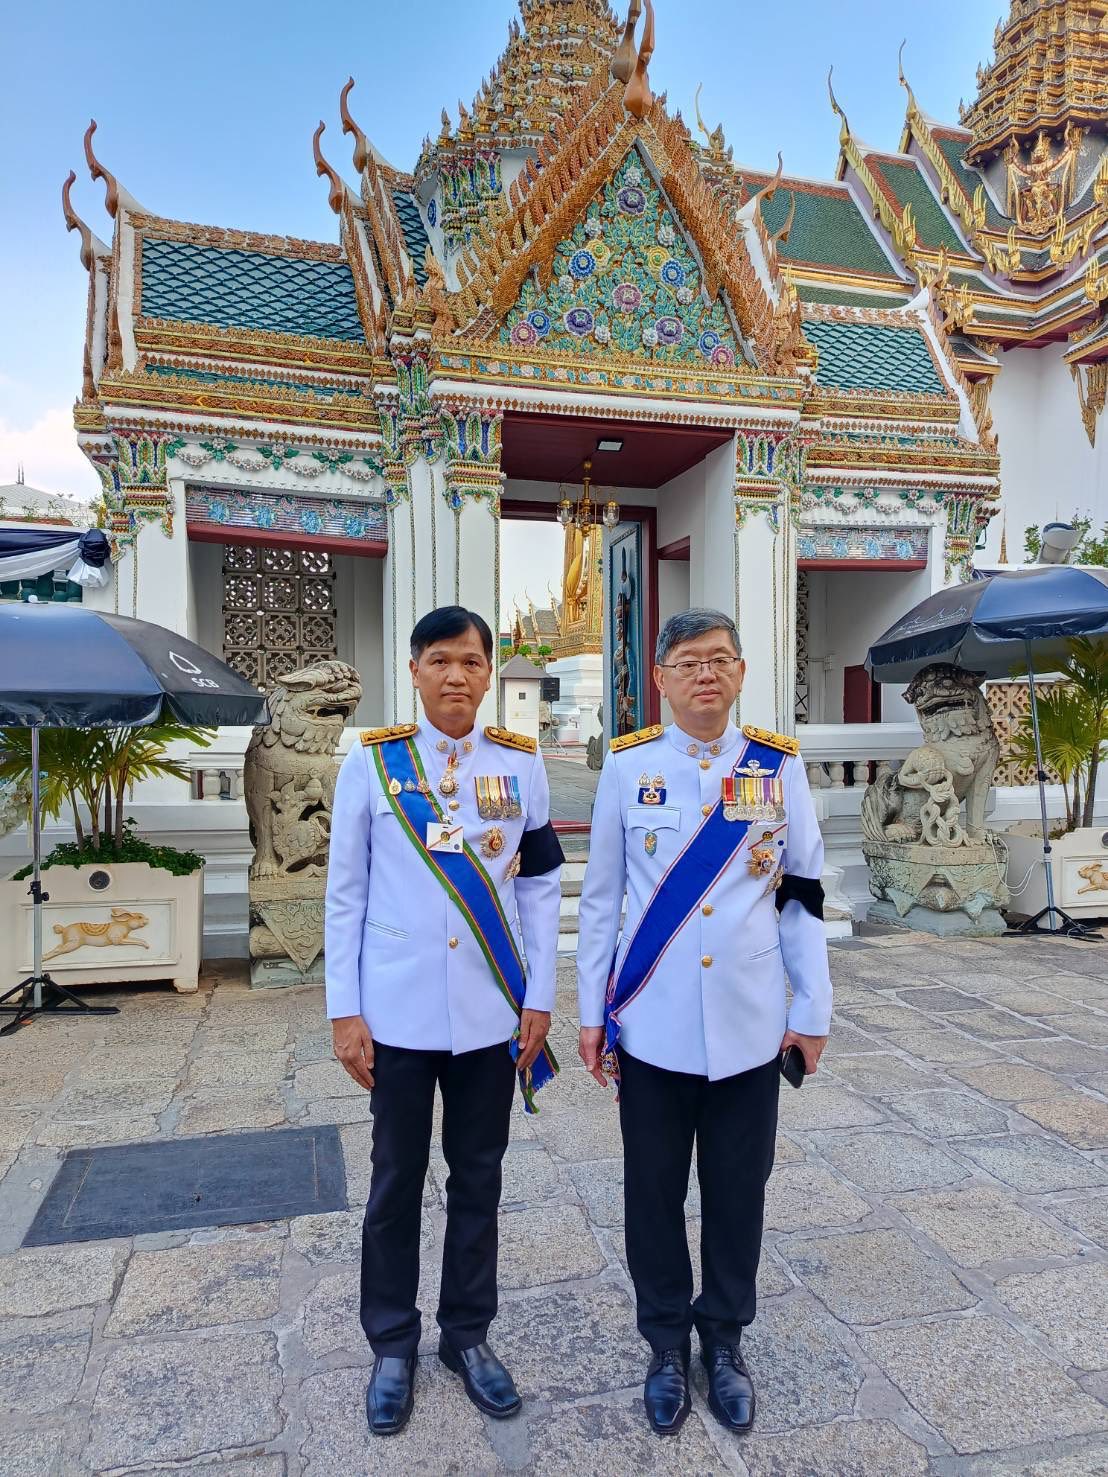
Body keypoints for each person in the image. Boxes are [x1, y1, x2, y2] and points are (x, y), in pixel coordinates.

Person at [576, 608, 832, 1437]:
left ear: (742, 672)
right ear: (660, 677)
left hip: (752, 1025)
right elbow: (601, 900)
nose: (705, 676)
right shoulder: (629, 766)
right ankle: (663, 1343)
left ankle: (723, 1340)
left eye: (720, 659)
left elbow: (802, 896)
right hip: (653, 1027)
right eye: (688, 662)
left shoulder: (778, 767)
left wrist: (812, 1008)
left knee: (736, 1193)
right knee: (651, 1194)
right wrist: (592, 1014)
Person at [325, 606, 564, 1437]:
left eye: (470, 660)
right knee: (395, 1182)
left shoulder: (520, 765)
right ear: (416, 669)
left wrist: (540, 996)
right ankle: (392, 1343)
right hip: (395, 1013)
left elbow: (537, 886)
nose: (456, 675)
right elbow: (345, 892)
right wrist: (344, 1011)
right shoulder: (373, 763)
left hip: (489, 1013)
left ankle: (467, 1335)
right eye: (439, 660)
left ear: (490, 672)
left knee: (480, 1179)